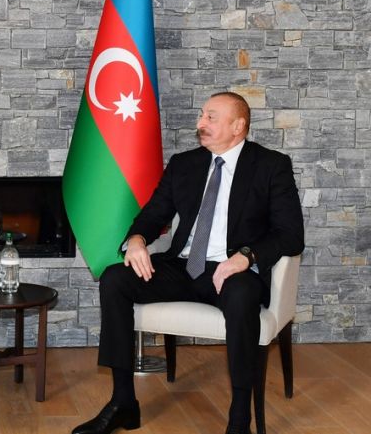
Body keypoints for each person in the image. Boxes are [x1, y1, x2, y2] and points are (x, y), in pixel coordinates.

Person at [71, 92, 304, 434]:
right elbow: (153, 215)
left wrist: (246, 256)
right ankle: (123, 403)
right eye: (201, 116)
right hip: (184, 268)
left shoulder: (271, 165)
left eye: (211, 117)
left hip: (232, 271)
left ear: (238, 126)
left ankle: (240, 418)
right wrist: (136, 240)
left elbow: (291, 234)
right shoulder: (185, 164)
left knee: (242, 296)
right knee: (115, 278)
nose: (200, 124)